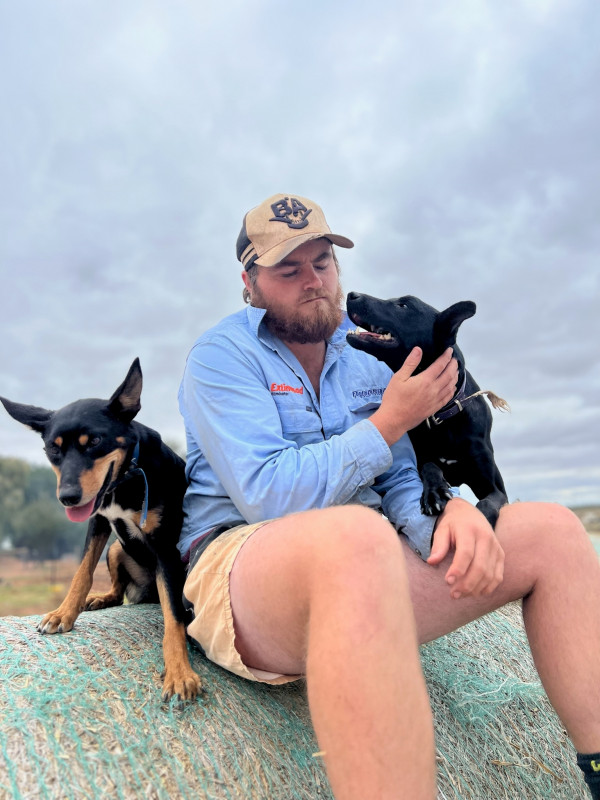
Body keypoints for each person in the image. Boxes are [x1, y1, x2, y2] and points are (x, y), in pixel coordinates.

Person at [178, 193, 600, 800]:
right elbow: (267, 496)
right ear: (250, 283)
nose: (313, 282)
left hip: (365, 558)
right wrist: (388, 422)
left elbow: (398, 477)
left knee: (553, 532)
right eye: (288, 269)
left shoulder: (365, 355)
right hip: (240, 569)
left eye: (322, 262)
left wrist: (446, 517)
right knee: (357, 536)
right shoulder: (221, 358)